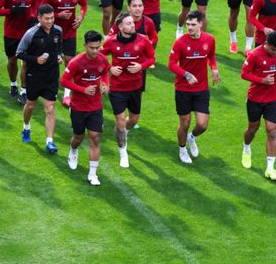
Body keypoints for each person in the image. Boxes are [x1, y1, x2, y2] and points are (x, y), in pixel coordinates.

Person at [99, 14, 155, 168]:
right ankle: (123, 153)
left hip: (135, 87)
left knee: (134, 119)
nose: (133, 25)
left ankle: (123, 132)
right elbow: (100, 56)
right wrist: (110, 68)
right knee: (120, 121)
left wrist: (140, 66)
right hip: (117, 88)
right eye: (129, 23)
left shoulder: (143, 39)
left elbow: (151, 58)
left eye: (132, 23)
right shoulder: (111, 41)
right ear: (120, 27)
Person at [168, 11, 220, 164]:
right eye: (187, 24)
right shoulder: (180, 42)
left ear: (201, 24)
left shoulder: (209, 39)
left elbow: (211, 56)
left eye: (193, 24)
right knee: (185, 123)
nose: (189, 27)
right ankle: (182, 149)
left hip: (201, 88)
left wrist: (214, 68)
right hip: (183, 88)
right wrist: (186, 74)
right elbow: (171, 64)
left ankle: (192, 137)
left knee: (202, 125)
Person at [61, 30, 110, 186]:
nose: (95, 51)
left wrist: (105, 85)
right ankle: (73, 150)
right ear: (85, 46)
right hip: (78, 106)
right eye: (91, 48)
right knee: (78, 137)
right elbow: (64, 81)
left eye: (97, 47)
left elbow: (105, 73)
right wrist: (82, 90)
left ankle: (92, 174)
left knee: (95, 137)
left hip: (96, 106)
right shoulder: (76, 62)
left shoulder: (102, 59)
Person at [17, 4, 63, 153]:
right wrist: (35, 60)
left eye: (52, 18)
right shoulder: (31, 34)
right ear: (39, 18)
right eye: (47, 18)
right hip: (34, 75)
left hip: (51, 75)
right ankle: (26, 127)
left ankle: (50, 141)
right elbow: (19, 53)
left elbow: (58, 49)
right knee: (31, 105)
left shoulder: (58, 31)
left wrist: (59, 57)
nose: (50, 21)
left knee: (50, 108)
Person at [241, 31, 276, 181]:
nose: (275, 53)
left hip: (273, 98)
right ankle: (247, 149)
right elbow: (244, 74)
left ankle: (270, 168)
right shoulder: (254, 54)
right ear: (266, 43)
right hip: (255, 98)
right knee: (253, 128)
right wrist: (262, 80)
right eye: (273, 49)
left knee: (272, 131)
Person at [0, 0, 39, 105]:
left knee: (26, 62)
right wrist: (11, 11)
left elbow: (36, 5)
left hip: (27, 33)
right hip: (11, 33)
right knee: (12, 60)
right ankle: (13, 84)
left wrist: (33, 16)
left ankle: (23, 91)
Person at [42, 0, 87, 106]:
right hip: (52, 32)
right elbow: (42, 12)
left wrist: (81, 17)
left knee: (69, 61)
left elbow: (84, 5)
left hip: (70, 32)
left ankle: (67, 95)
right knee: (52, 62)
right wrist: (57, 15)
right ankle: (49, 87)